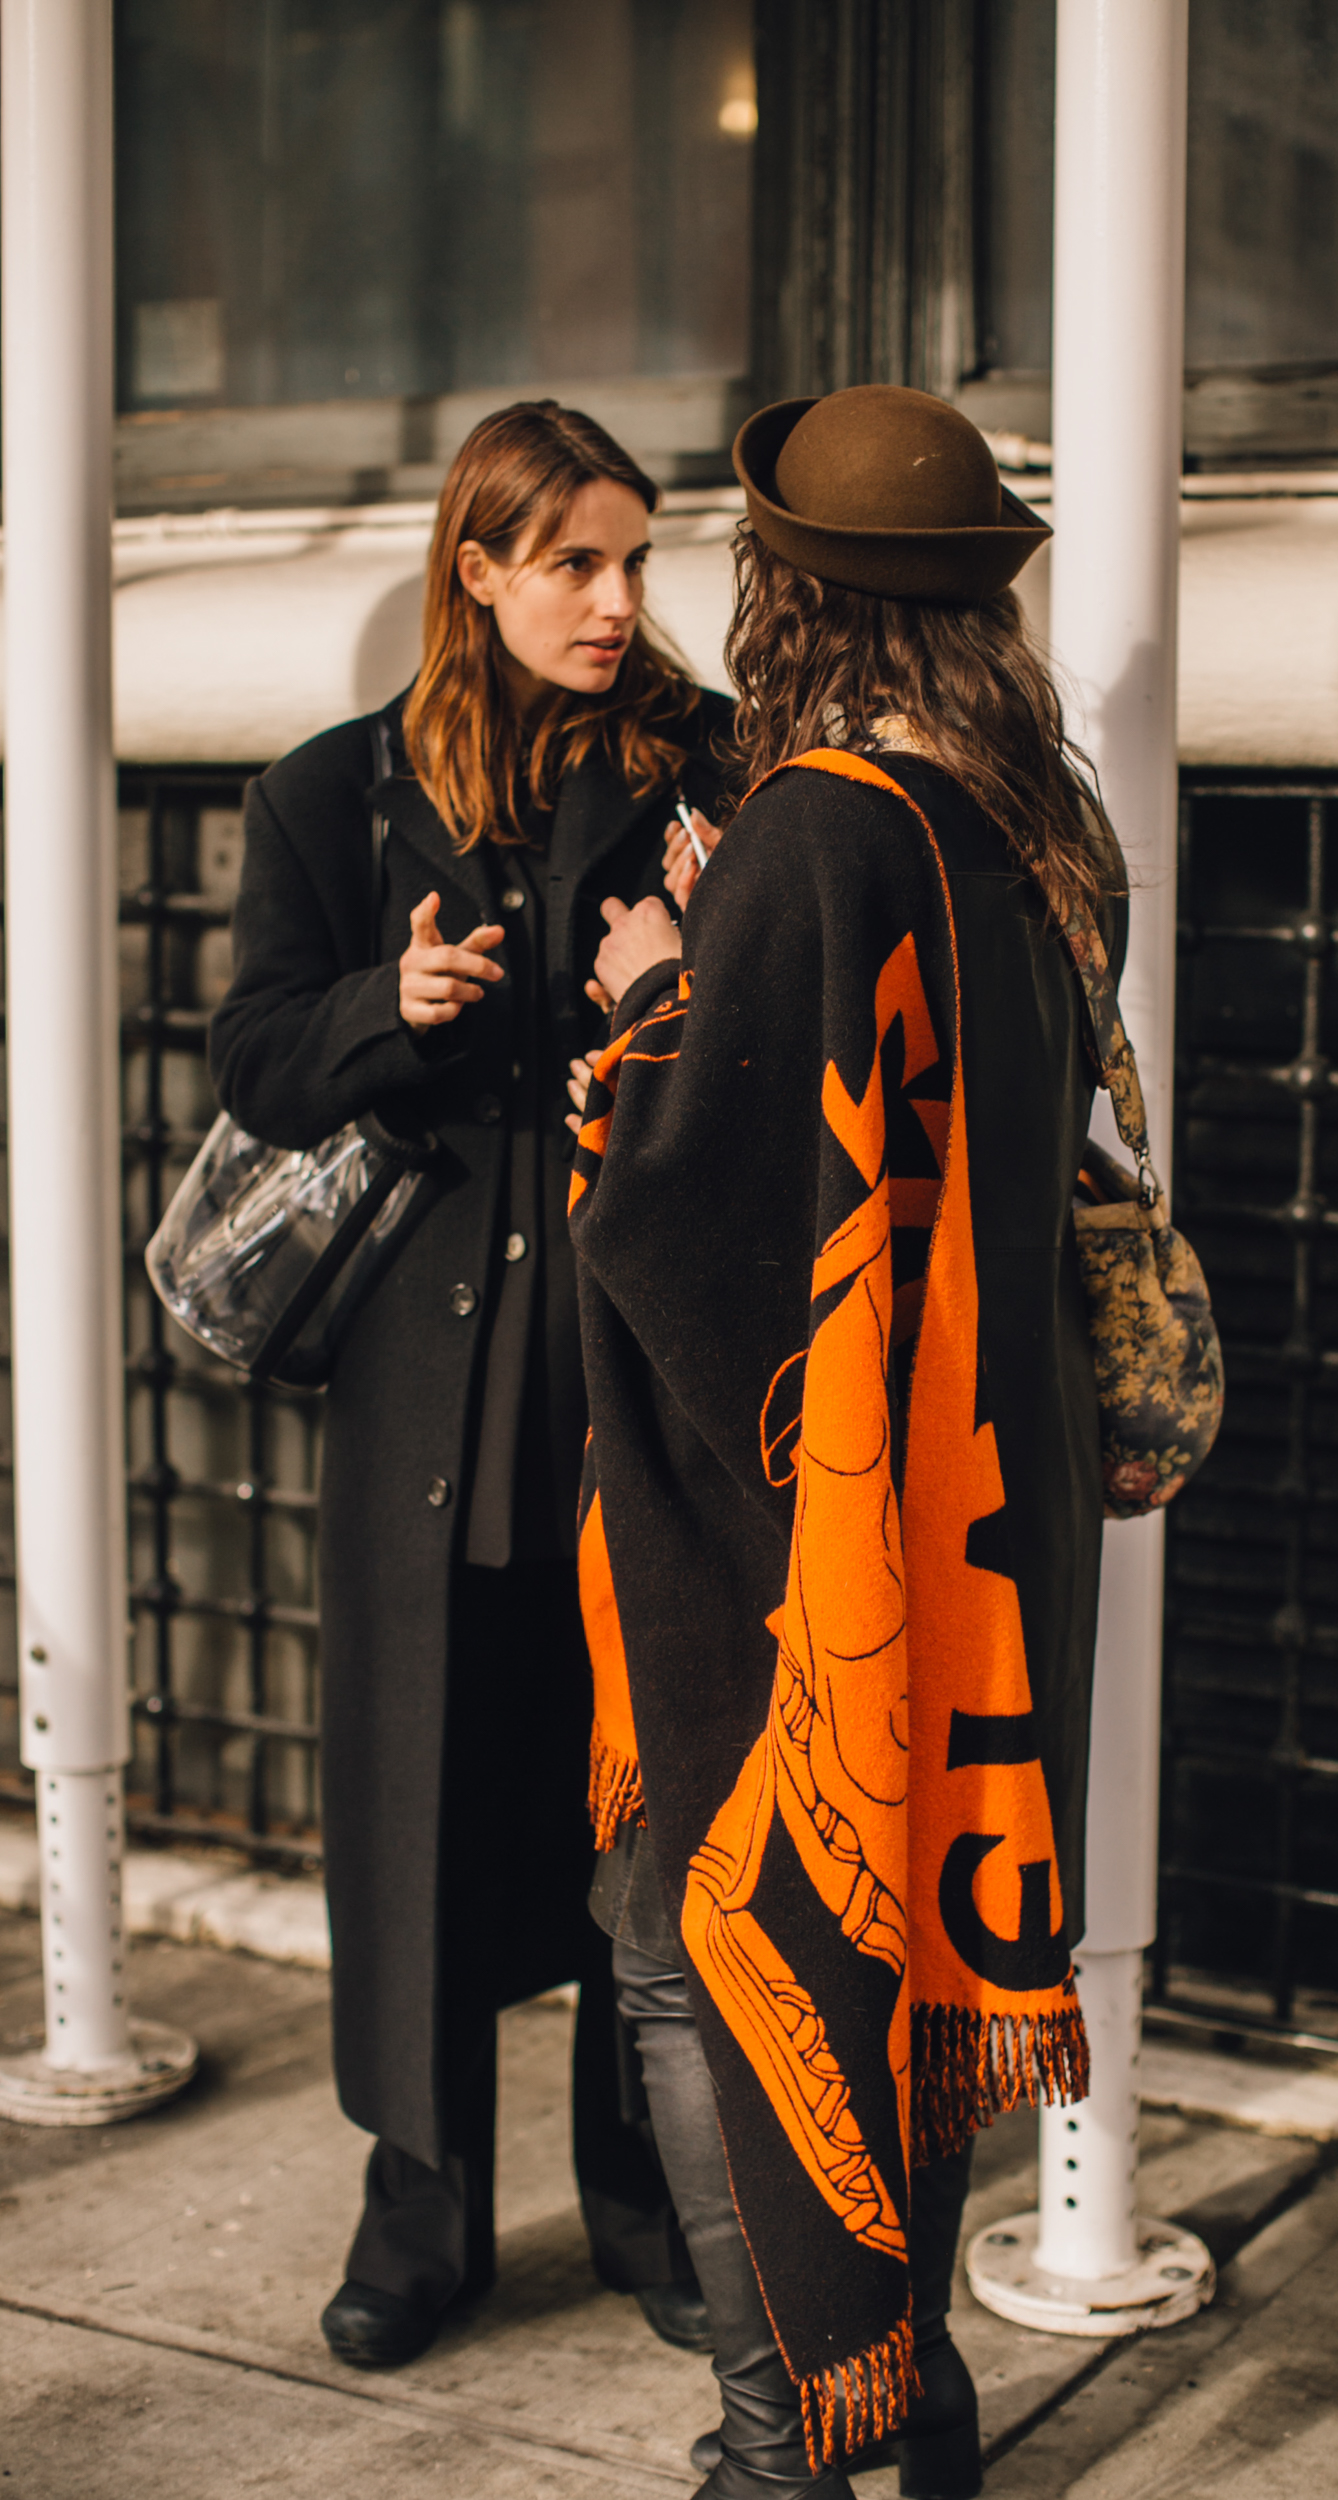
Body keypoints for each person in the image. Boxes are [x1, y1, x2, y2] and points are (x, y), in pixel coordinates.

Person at [564, 385, 1128, 2499]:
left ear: (786, 595)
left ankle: (783, 2441)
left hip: (830, 1515)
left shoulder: (814, 826)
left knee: (702, 1944)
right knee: (912, 1935)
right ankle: (924, 2398)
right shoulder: (1033, 821)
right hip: (1002, 1479)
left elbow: (692, 1218)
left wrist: (656, 989)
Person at [209, 401, 730, 2369]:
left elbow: (777, 1030)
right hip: (428, 1390)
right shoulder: (331, 795)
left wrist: (671, 992)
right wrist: (391, 1006)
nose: (614, 599)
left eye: (635, 559)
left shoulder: (705, 766)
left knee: (634, 1790)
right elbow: (255, 1056)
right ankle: (421, 2212)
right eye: (575, 561)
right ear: (480, 567)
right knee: (421, 1795)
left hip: (634, 1367)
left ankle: (645, 2197)